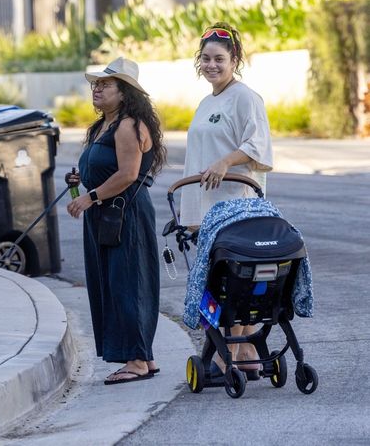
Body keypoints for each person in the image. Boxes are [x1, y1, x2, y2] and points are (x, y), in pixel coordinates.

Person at [180, 22, 273, 379]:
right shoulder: (207, 101)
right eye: (205, 59)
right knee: (220, 281)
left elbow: (258, 145)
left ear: (235, 59)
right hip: (206, 209)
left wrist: (225, 161)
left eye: (219, 58)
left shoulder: (246, 98)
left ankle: (227, 356)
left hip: (236, 206)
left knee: (233, 281)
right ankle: (247, 353)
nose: (212, 65)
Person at [67, 57, 166, 385]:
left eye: (105, 84)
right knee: (113, 284)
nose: (97, 88)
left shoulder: (129, 125)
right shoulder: (102, 126)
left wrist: (90, 196)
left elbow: (128, 174)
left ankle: (136, 360)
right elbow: (107, 167)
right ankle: (143, 357)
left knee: (128, 284)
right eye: (96, 84)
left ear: (124, 92)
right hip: (107, 217)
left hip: (125, 215)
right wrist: (82, 176)